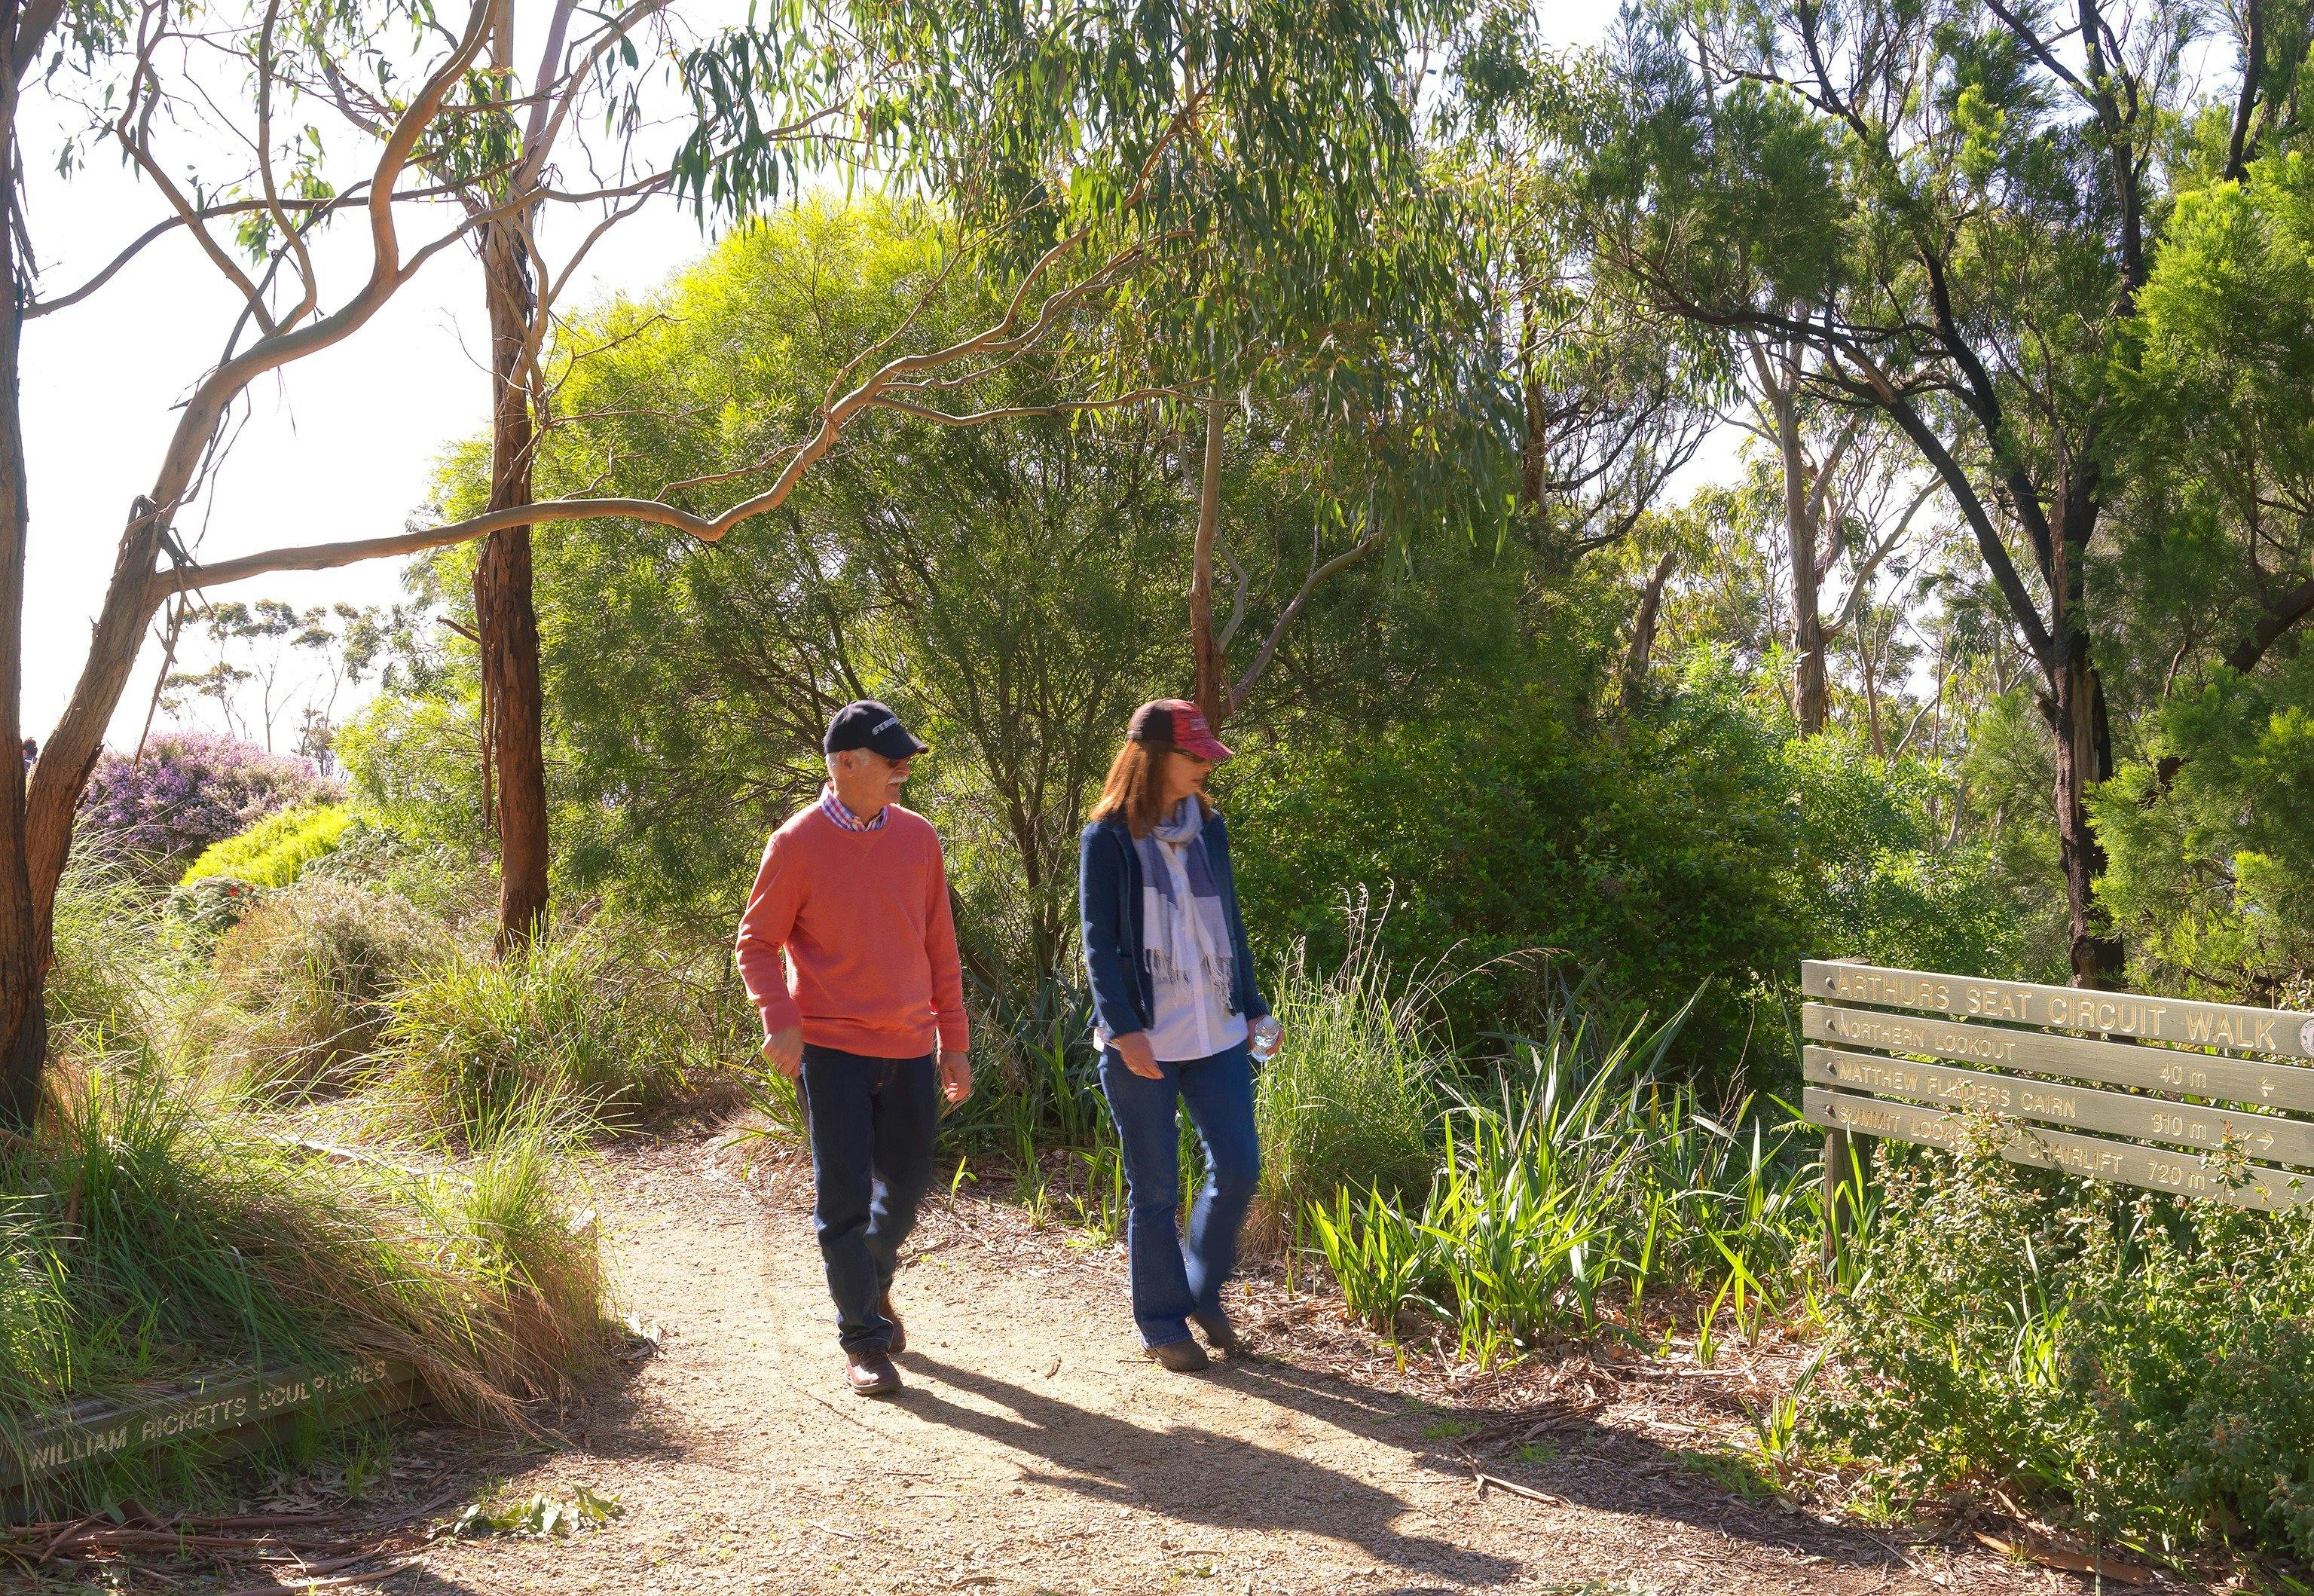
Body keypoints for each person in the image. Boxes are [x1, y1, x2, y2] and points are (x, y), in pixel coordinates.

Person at [735, 699, 973, 1397]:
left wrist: (953, 1043)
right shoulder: (797, 843)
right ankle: (863, 1341)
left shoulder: (917, 838)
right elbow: (755, 942)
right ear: (845, 765)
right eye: (890, 759)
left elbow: (940, 947)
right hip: (831, 1049)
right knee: (842, 1197)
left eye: (905, 759)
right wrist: (780, 1017)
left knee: (902, 1192)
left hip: (908, 1047)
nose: (903, 770)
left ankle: (869, 1283)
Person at [1079, 699, 1279, 1371]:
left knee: (1239, 1166)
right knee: (1155, 1190)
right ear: (1153, 757)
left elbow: (1231, 925)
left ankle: (1200, 1290)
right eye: (1193, 755)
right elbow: (1099, 945)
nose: (1204, 766)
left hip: (1217, 1030)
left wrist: (1252, 1007)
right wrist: (1123, 1029)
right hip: (1143, 1043)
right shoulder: (1106, 838)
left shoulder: (1210, 830)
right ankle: (1163, 1322)